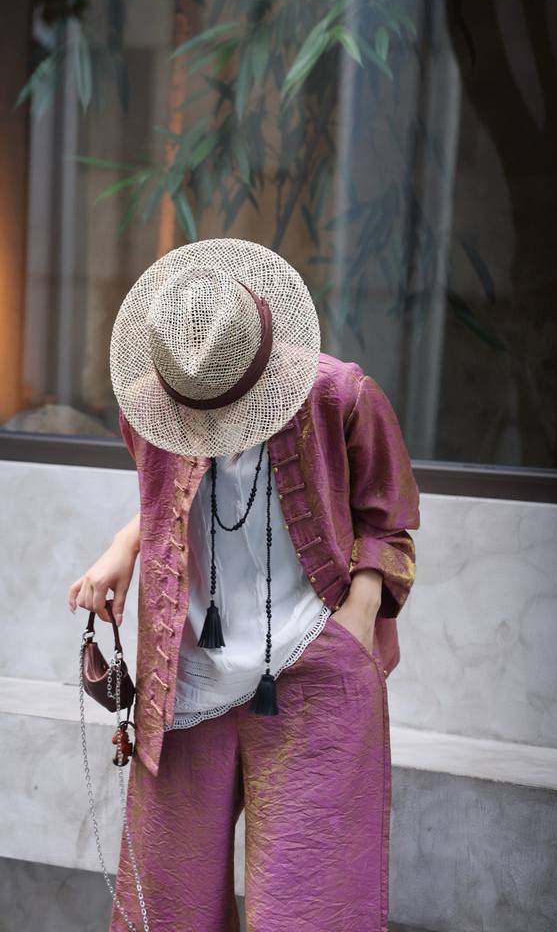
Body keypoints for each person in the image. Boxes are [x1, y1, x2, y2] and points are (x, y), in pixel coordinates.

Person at [68, 238, 420, 932]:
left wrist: (356, 619)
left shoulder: (340, 395)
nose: (208, 425)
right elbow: (172, 496)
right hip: (186, 676)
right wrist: (123, 544)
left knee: (307, 910)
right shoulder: (153, 404)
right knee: (165, 905)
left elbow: (390, 517)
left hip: (313, 663)